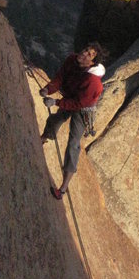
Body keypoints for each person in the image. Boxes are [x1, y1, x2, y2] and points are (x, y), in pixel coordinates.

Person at [40, 43, 106, 199]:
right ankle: (43, 138)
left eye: (89, 55)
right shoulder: (72, 60)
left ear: (92, 63)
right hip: (72, 98)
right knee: (55, 119)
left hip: (83, 109)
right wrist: (48, 89)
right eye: (85, 50)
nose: (84, 54)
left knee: (73, 143)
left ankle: (62, 188)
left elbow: (79, 103)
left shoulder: (93, 82)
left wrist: (56, 102)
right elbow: (60, 77)